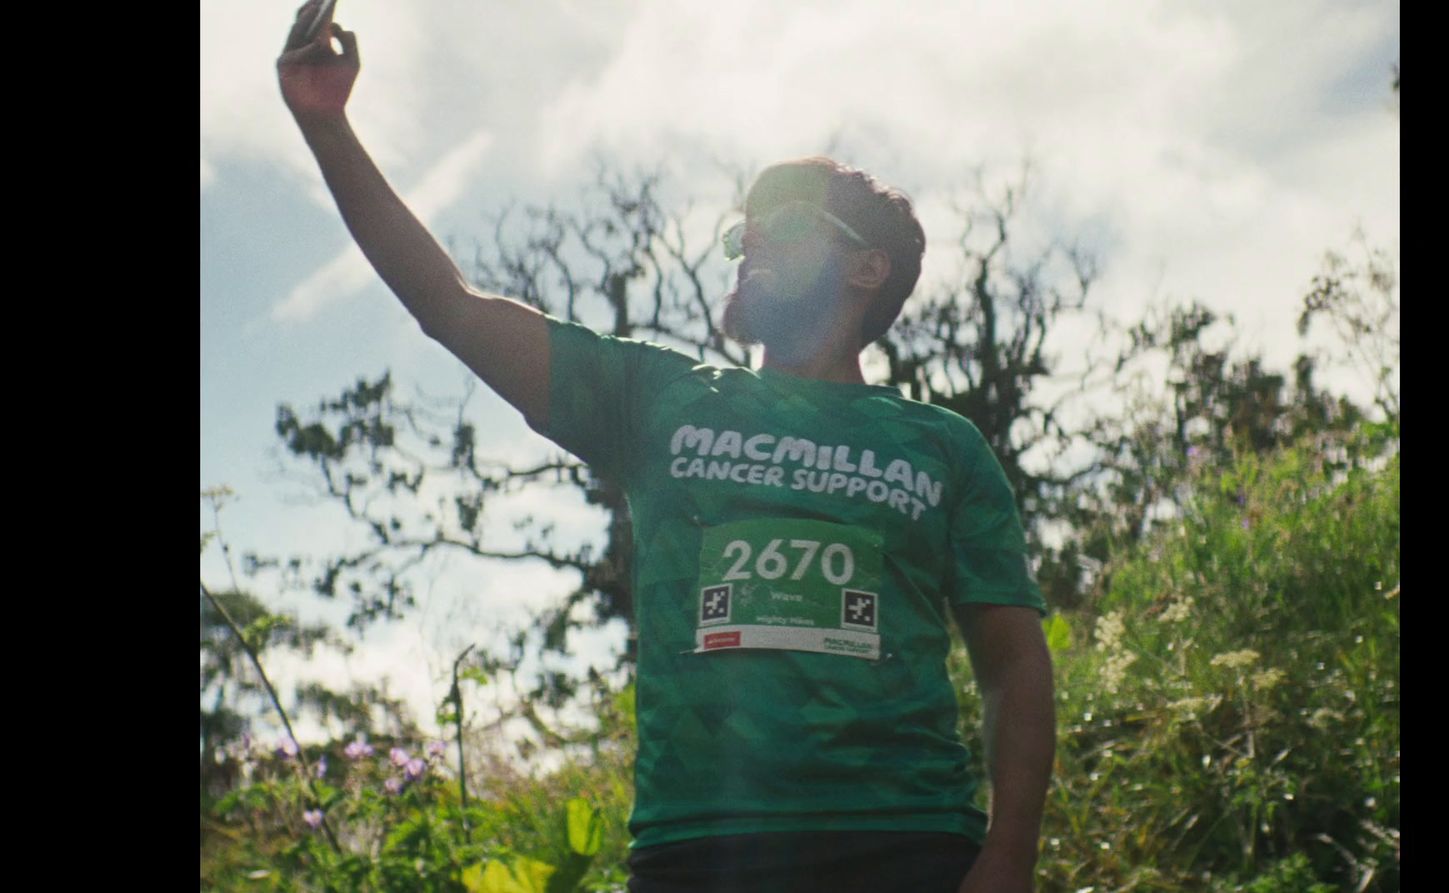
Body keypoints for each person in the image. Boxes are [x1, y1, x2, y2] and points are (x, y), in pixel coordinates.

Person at [277, 5, 1054, 891]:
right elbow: (451, 307)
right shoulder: (659, 399)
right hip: (702, 849)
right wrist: (328, 127)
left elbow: (1012, 662)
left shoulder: (943, 449)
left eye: (785, 223)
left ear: (867, 267)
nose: (750, 240)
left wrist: (1010, 855)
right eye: (742, 231)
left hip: (908, 839)